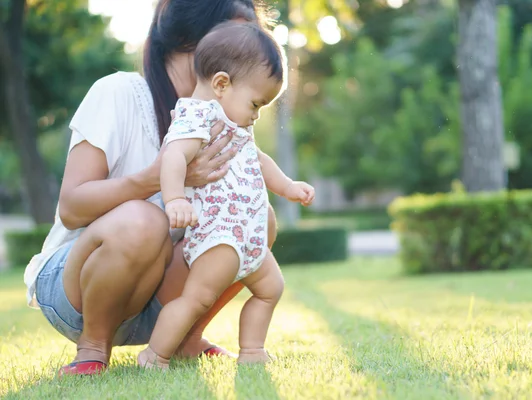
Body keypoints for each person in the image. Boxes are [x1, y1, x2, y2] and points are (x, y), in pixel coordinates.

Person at [23, 0, 279, 376]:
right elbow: (72, 207)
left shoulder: (225, 118)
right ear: (191, 40)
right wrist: (152, 178)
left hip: (153, 299)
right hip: (76, 289)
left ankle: (185, 339)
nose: (250, 49)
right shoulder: (119, 92)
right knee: (143, 221)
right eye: (238, 36)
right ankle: (92, 348)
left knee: (257, 221)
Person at [138, 22, 315, 368]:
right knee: (197, 299)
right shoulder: (198, 116)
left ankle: (252, 351)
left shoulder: (237, 126)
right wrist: (175, 199)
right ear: (221, 84)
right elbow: (173, 156)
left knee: (270, 289)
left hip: (247, 235)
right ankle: (155, 353)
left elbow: (259, 161)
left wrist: (289, 187)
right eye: (255, 103)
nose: (256, 114)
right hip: (218, 234)